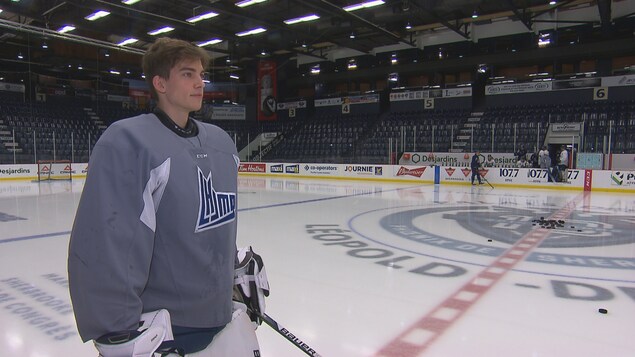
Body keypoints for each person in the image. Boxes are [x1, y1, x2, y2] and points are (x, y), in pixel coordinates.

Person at [68, 38, 267, 356]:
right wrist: (116, 330)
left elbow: (213, 225)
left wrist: (235, 270)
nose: (199, 82)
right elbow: (108, 243)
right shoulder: (130, 142)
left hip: (222, 318)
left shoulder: (220, 143)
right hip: (165, 333)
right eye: (187, 74)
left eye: (201, 74)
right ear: (159, 83)